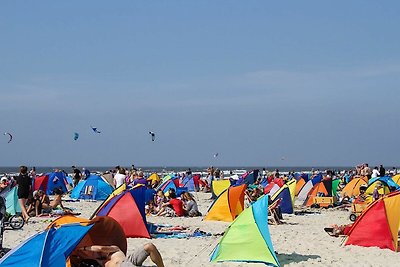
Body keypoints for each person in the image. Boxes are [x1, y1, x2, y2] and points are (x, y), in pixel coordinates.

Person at [71, 243, 165, 267]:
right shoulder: (98, 261)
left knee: (149, 246)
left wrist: (83, 248)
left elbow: (100, 248)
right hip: (127, 264)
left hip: (126, 262)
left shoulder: (114, 249)